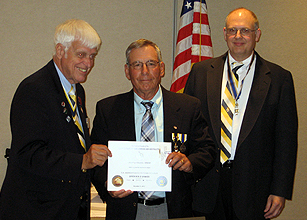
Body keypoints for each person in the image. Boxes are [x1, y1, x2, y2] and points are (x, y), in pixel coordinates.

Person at [184, 7, 298, 220]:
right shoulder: (200, 72)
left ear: (257, 35)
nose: (238, 37)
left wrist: (279, 190)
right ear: (225, 33)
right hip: (207, 185)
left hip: (254, 189)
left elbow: (286, 141)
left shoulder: (279, 79)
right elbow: (189, 129)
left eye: (245, 31)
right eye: (233, 30)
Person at [0, 19, 111, 220]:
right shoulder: (34, 89)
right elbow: (27, 153)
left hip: (68, 208)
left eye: (92, 56)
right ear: (60, 51)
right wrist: (82, 161)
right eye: (81, 55)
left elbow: (75, 144)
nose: (89, 64)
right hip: (36, 211)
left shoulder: (77, 90)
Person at [90, 39, 216, 220]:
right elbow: (96, 160)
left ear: (162, 68)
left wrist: (190, 163)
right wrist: (107, 185)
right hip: (125, 210)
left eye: (151, 64)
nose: (145, 72)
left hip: (173, 209)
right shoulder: (108, 110)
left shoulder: (188, 106)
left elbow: (207, 150)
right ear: (127, 71)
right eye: (137, 65)